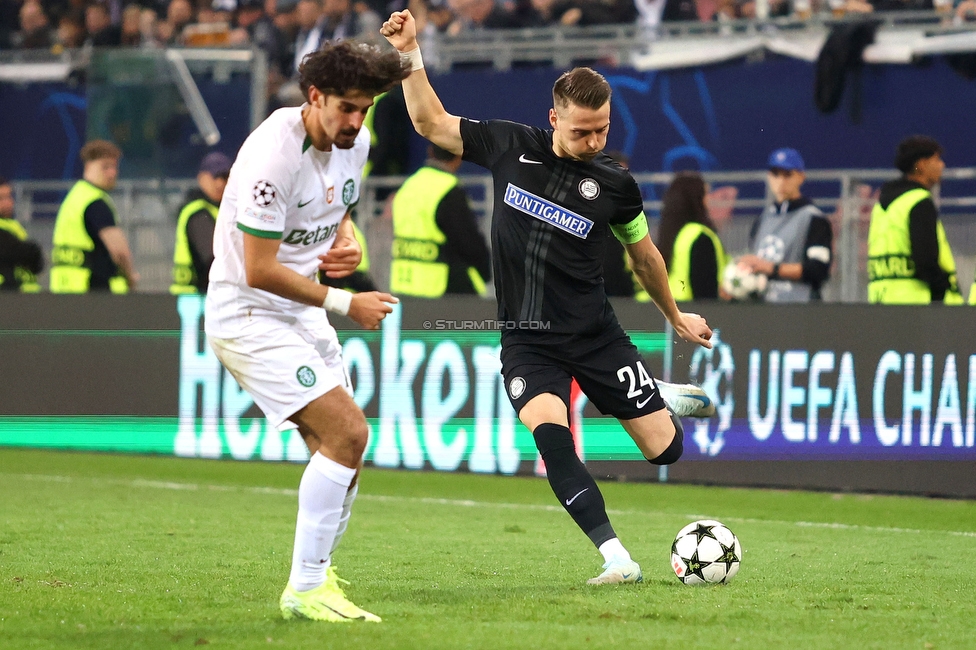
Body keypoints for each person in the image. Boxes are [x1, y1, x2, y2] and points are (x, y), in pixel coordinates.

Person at [382, 10, 715, 587]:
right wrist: (410, 50)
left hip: (596, 335)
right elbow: (430, 123)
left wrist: (675, 314)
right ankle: (616, 557)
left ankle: (654, 392)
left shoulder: (615, 184)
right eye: (582, 130)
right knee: (552, 437)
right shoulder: (510, 145)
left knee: (665, 452)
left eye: (603, 130)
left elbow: (645, 257)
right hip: (528, 340)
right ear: (553, 117)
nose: (594, 141)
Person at [204, 41, 409, 623]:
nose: (355, 121)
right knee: (348, 430)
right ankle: (306, 586)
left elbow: (336, 209)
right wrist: (347, 300)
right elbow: (258, 268)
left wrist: (347, 242)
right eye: (345, 107)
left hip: (301, 309)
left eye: (364, 109)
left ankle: (315, 577)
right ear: (313, 97)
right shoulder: (273, 155)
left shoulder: (356, 141)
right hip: (247, 313)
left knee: (344, 450)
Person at [867, 135, 964, 304]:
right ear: (921, 165)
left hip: (881, 302)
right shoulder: (918, 201)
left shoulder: (882, 206)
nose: (942, 165)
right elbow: (925, 261)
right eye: (937, 159)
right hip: (920, 307)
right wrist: (944, 288)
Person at [390, 143, 491, 297]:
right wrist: (486, 271)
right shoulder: (449, 190)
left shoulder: (408, 186)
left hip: (405, 285)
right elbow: (468, 242)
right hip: (442, 288)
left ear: (430, 151)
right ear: (459, 157)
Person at [738, 148, 833, 302]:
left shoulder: (814, 219)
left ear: (801, 177)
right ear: (769, 177)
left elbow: (818, 269)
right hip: (763, 310)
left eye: (788, 174)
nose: (781, 181)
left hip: (800, 311)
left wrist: (772, 268)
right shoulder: (762, 220)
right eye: (776, 174)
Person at [50, 140, 139, 294]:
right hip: (93, 289)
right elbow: (119, 250)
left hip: (65, 287)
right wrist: (130, 276)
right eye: (105, 167)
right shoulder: (95, 202)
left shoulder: (75, 197)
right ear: (88, 166)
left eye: (114, 167)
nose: (112, 173)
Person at [657, 172, 727, 301]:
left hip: (669, 311)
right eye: (706, 194)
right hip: (692, 314)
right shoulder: (700, 237)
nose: (709, 199)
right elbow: (706, 292)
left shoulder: (668, 234)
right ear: (696, 199)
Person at [171, 151, 233, 295]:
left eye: (225, 177)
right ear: (201, 178)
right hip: (193, 295)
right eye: (215, 176)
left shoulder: (216, 210)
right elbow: (211, 258)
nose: (220, 183)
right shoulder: (198, 211)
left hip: (200, 294)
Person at [0, 177, 43, 292]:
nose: (8, 202)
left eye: (9, 196)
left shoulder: (14, 225)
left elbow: (37, 262)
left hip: (28, 296)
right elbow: (28, 253)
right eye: (1, 198)